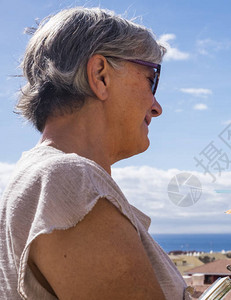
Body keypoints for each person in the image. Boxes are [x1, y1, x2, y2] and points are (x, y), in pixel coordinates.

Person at [0, 7, 189, 299]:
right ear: (100, 75)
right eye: (151, 80)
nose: (156, 106)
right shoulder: (69, 181)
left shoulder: (35, 181)